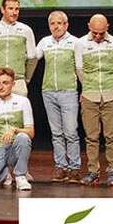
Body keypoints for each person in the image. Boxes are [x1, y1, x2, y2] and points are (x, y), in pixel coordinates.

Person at [74, 14, 113, 187]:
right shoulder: (81, 44)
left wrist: (110, 86)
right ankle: (93, 172)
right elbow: (80, 70)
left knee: (111, 136)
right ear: (89, 26)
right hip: (89, 95)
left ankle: (112, 171)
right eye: (95, 32)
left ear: (108, 27)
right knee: (91, 137)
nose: (97, 36)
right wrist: (91, 87)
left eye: (101, 33)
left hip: (111, 95)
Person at [35, 10, 81, 183]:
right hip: (48, 92)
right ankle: (61, 167)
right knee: (56, 133)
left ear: (66, 25)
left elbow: (81, 68)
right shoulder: (45, 42)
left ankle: (75, 168)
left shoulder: (75, 42)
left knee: (70, 132)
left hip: (68, 91)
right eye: (53, 23)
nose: (56, 26)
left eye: (59, 23)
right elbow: (31, 58)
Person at [0, 0, 37, 98]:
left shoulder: (26, 30)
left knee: (18, 114)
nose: (14, 12)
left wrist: (25, 79)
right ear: (3, 9)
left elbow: (32, 58)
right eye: (11, 8)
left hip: (18, 82)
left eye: (17, 9)